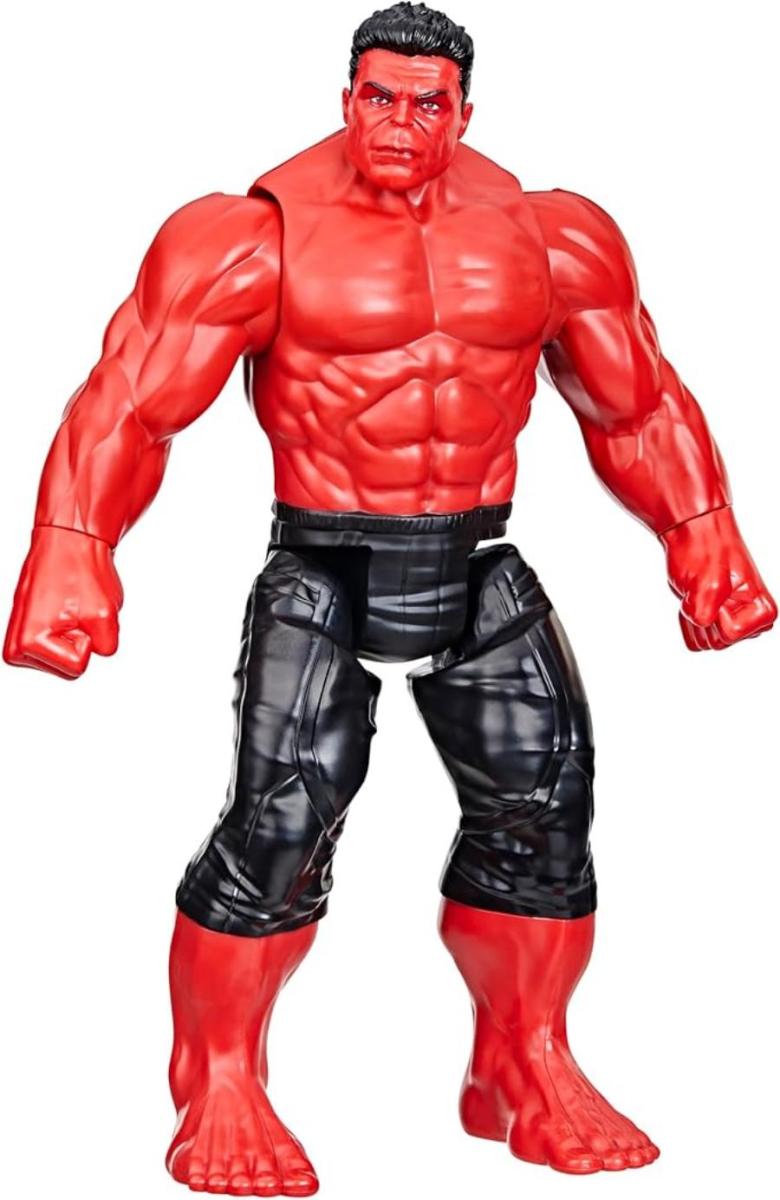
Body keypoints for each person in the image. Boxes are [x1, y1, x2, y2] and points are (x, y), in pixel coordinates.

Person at [4, 2, 775, 1192]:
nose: (399, 122)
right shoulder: (253, 233)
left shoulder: (551, 236)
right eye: (378, 97)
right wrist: (70, 545)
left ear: (465, 113)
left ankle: (521, 1064)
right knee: (280, 820)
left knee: (547, 806)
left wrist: (704, 536)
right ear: (344, 97)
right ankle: (220, 1082)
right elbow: (129, 401)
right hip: (326, 559)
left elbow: (637, 403)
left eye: (425, 103)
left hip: (477, 556)